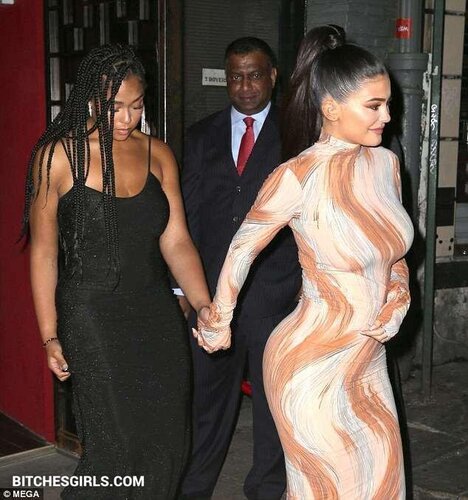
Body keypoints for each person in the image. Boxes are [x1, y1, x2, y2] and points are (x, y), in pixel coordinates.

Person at [194, 25, 414, 499]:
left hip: (368, 360)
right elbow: (241, 248)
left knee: (385, 486)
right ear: (331, 108)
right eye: (374, 106)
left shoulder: (386, 165)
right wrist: (219, 320)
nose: (387, 116)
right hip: (310, 364)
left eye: (387, 104)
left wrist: (399, 295)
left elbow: (394, 253)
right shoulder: (297, 174)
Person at [22, 44, 210, 499]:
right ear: (90, 101)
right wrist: (49, 335)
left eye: (136, 106)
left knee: (168, 440)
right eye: (114, 108)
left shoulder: (158, 154)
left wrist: (204, 304)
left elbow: (176, 240)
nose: (126, 119)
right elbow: (44, 253)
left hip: (155, 312)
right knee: (116, 448)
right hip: (92, 316)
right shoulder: (58, 156)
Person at [180, 37, 302, 499]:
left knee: (271, 405)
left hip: (275, 295)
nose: (245, 86)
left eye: (254, 75)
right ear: (226, 79)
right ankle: (193, 488)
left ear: (273, 75)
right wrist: (184, 292)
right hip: (212, 298)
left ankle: (266, 489)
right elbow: (188, 218)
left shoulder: (296, 135)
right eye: (236, 76)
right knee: (206, 400)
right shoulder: (201, 135)